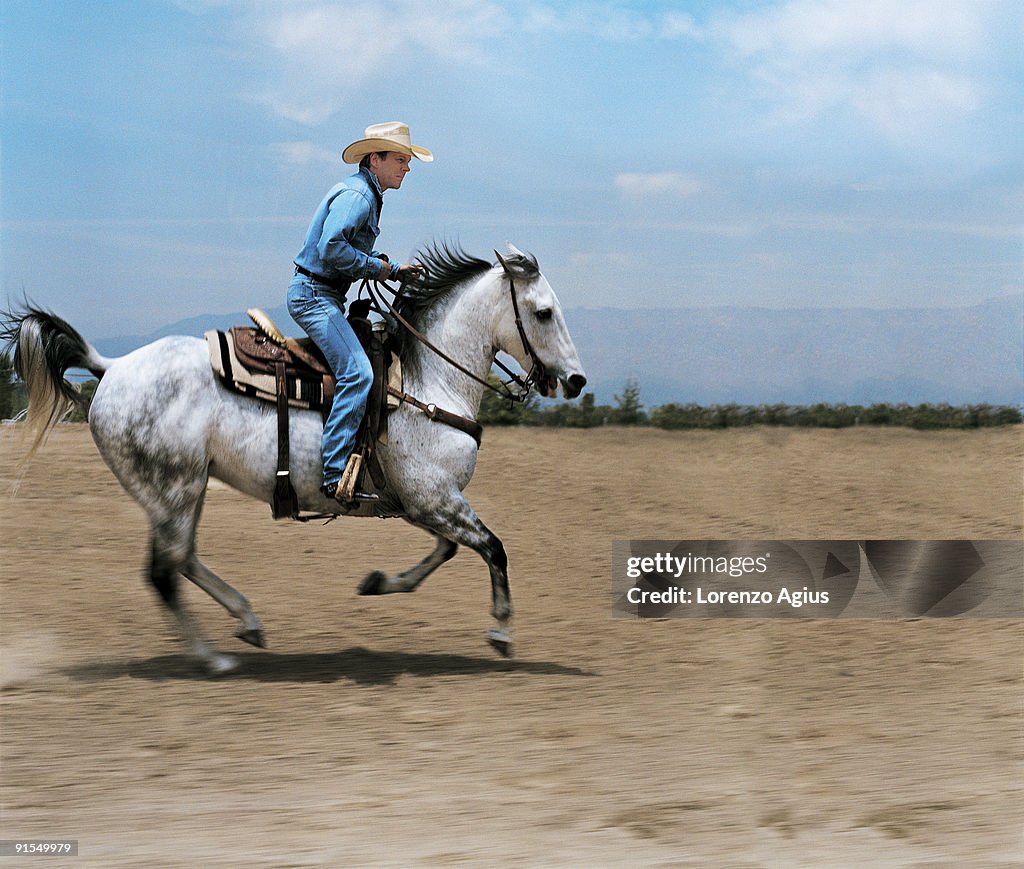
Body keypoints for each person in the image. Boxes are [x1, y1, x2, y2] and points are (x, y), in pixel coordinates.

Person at [287, 121, 432, 503]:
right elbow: (331, 247)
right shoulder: (359, 197)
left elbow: (347, 249)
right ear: (375, 159)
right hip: (314, 296)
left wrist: (393, 268)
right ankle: (333, 474)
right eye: (400, 159)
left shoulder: (363, 192)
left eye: (407, 161)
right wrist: (380, 269)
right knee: (358, 372)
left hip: (324, 294)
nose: (406, 168)